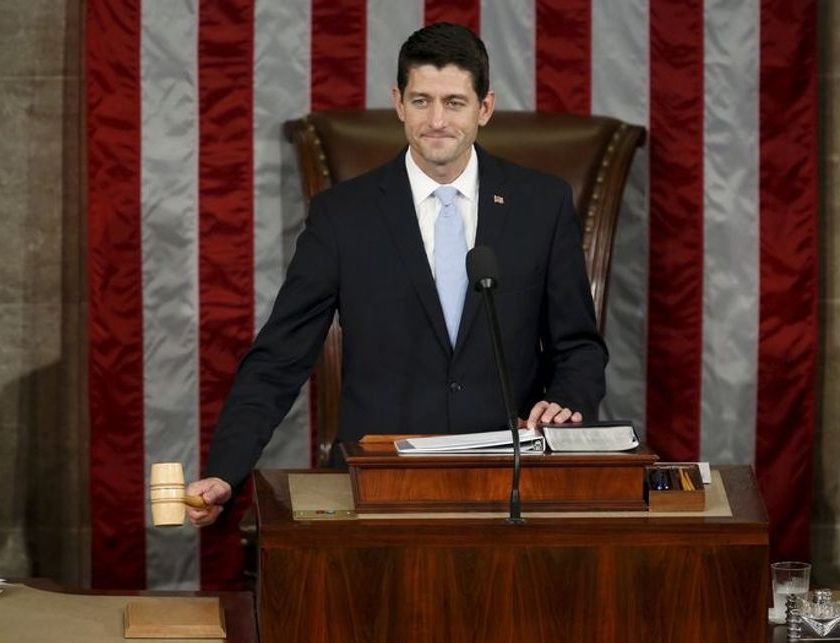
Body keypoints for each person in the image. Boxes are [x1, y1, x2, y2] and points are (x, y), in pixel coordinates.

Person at [187, 22, 607, 527]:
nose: (436, 120)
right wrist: (225, 473)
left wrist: (566, 401)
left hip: (510, 479)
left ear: (485, 108)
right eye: (421, 100)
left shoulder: (541, 204)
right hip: (381, 481)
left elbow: (578, 345)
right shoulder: (343, 215)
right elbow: (279, 356)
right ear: (399, 103)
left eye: (454, 102)